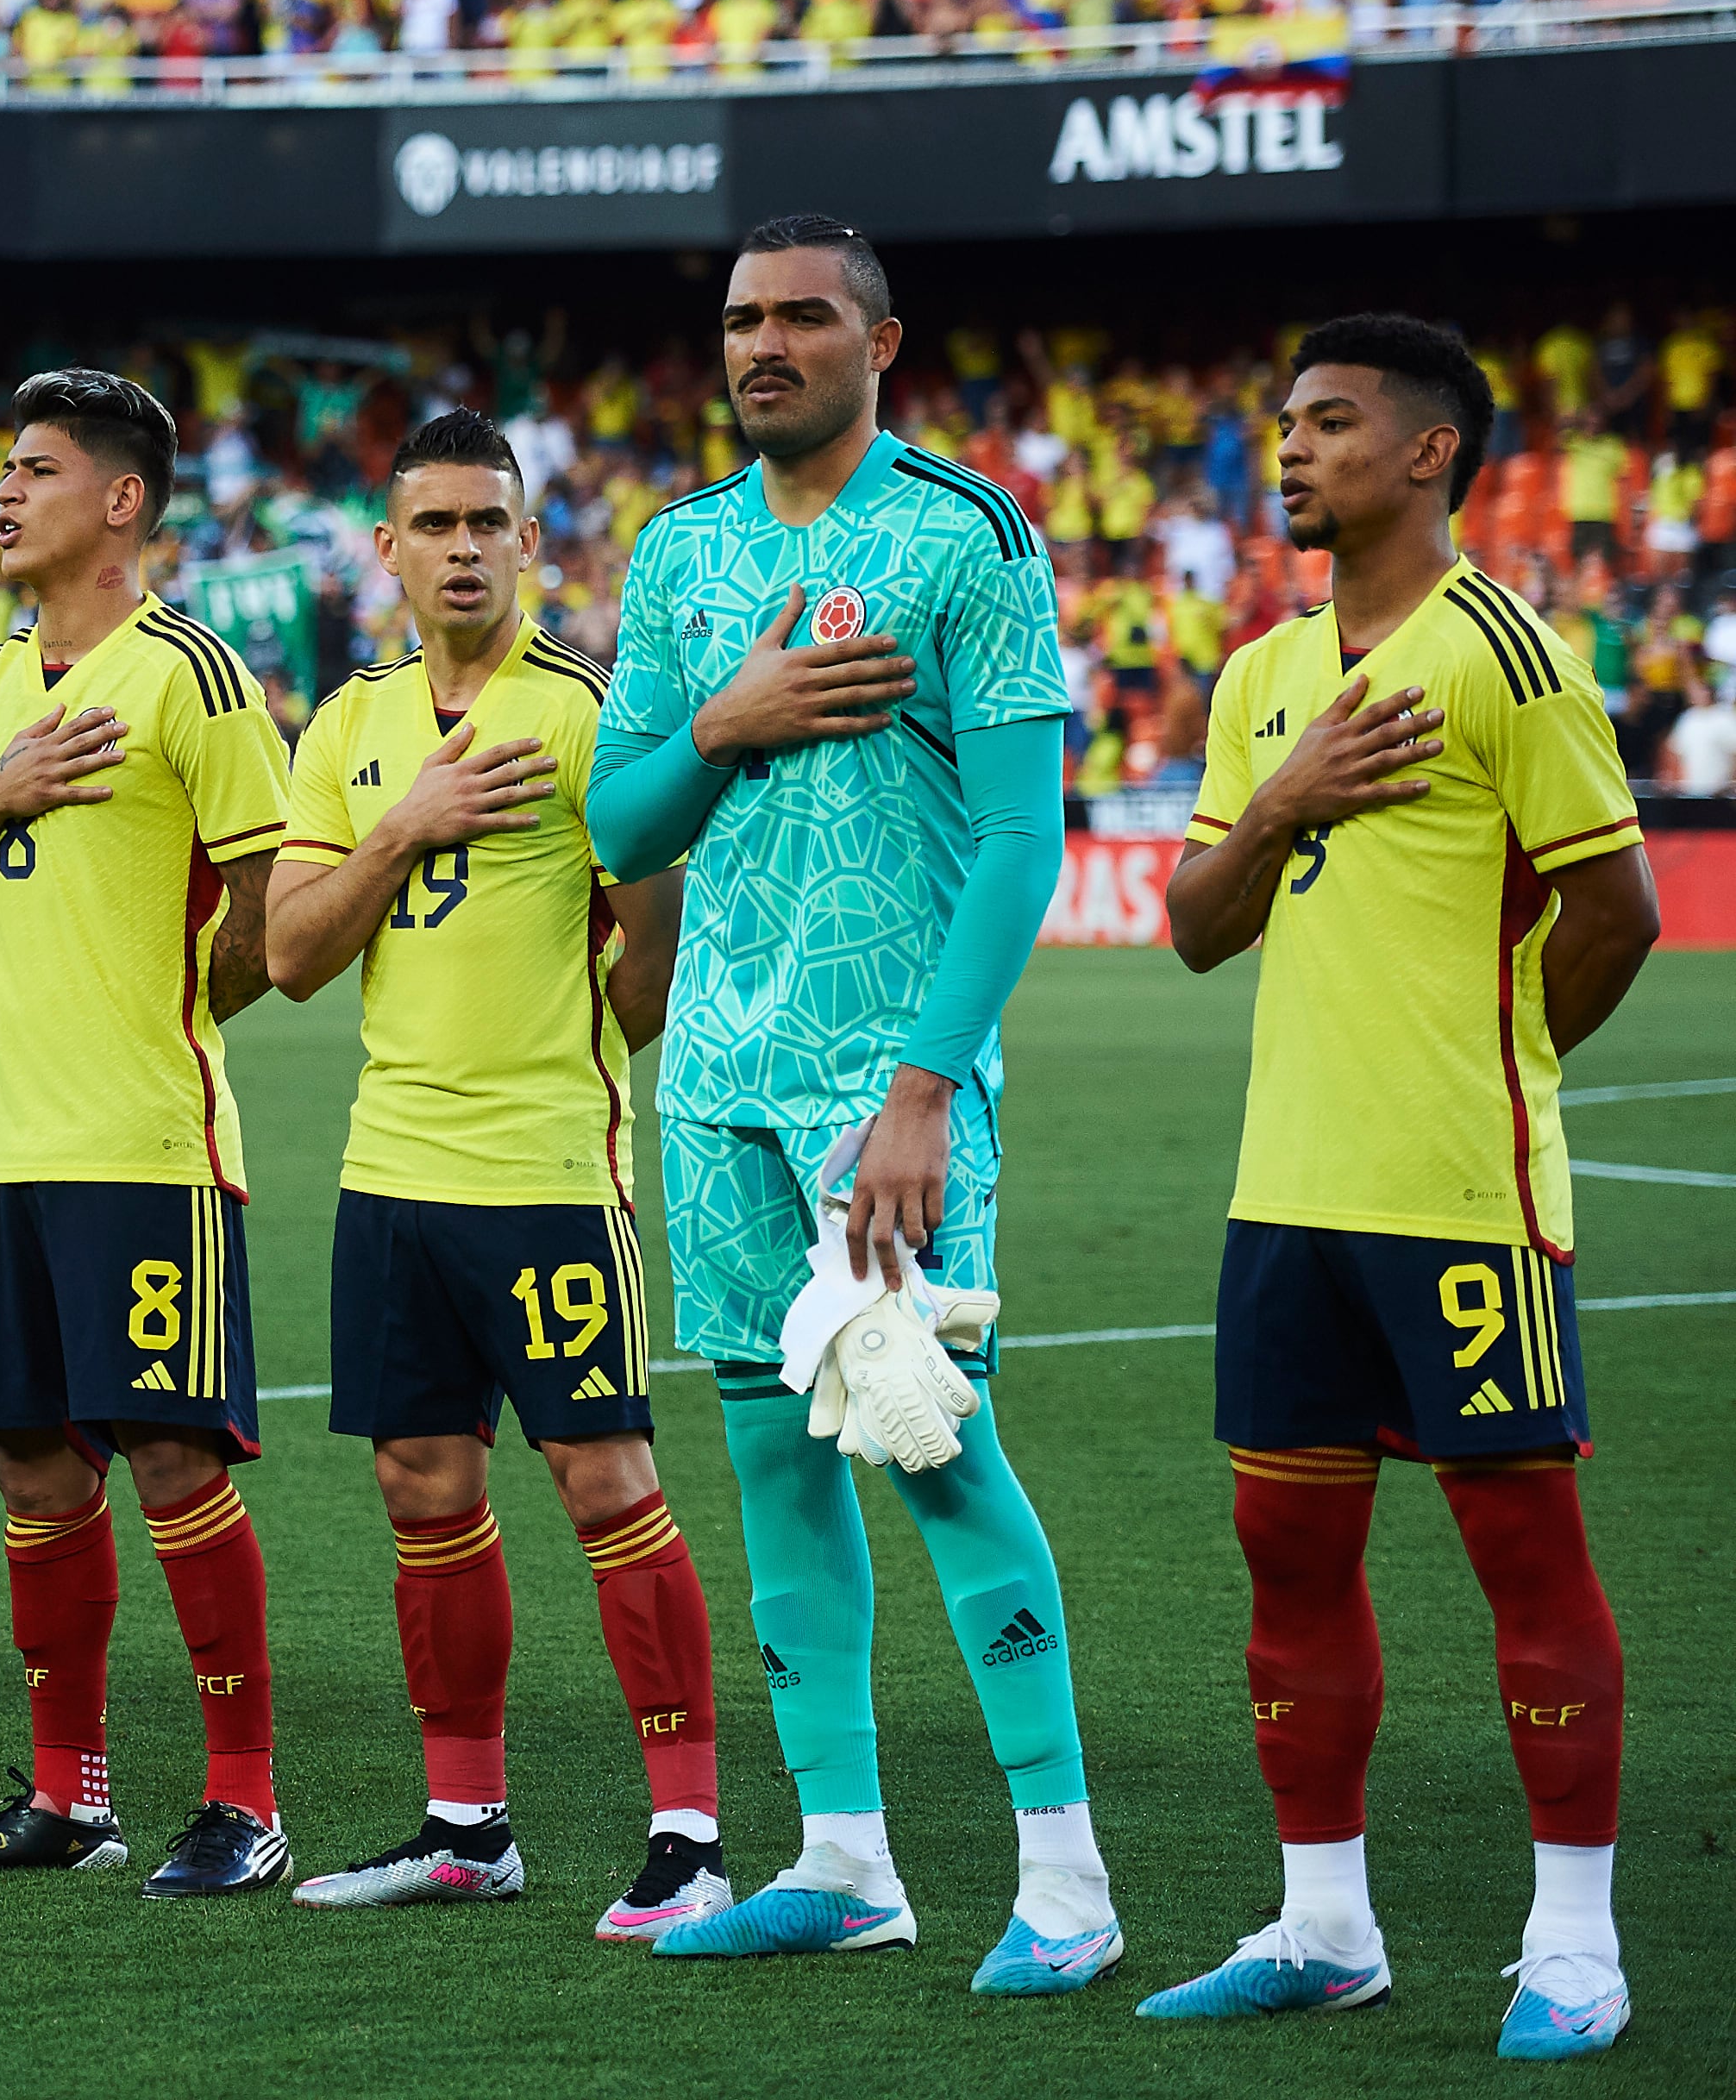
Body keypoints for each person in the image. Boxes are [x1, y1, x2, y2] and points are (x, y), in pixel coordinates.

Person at [587, 218, 1121, 1990]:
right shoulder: (681, 550)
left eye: (803, 313)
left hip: (879, 1088)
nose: (765, 341)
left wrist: (917, 1086)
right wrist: (727, 714)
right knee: (765, 1452)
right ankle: (841, 1855)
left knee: (927, 1436)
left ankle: (1064, 1877)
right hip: (717, 1078)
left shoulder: (960, 532)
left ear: (879, 338)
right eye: (741, 317)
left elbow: (1022, 835)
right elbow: (621, 827)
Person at [1144, 317, 1658, 2061]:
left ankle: (1575, 1942)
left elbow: (1615, 913)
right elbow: (1194, 925)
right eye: (1284, 421)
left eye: (1331, 422)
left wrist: (1497, 1074)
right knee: (1285, 1556)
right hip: (1285, 1194)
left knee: (1525, 1555)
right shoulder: (1258, 677)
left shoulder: (1506, 650)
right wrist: (1282, 796)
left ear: (1429, 451)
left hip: (1458, 1196)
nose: (1288, 450)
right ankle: (1322, 1921)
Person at [265, 411, 723, 1937]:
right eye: (433, 524)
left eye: (488, 523)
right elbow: (286, 954)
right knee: (420, 1483)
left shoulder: (591, 712)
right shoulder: (347, 728)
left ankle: (688, 1834)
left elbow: (647, 966)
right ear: (384, 549)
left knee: (603, 1480)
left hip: (540, 1170)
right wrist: (405, 825)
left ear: (530, 544)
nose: (461, 548)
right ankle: (465, 1825)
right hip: (388, 1171)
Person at [0, 370, 294, 1899]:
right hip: (5, 1150)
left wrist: (158, 1023)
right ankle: (70, 1795)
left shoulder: (192, 674)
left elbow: (272, 918)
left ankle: (242, 1805)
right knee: (34, 1471)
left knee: (174, 1459)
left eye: (31, 469)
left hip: (141, 1146)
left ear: (118, 500)